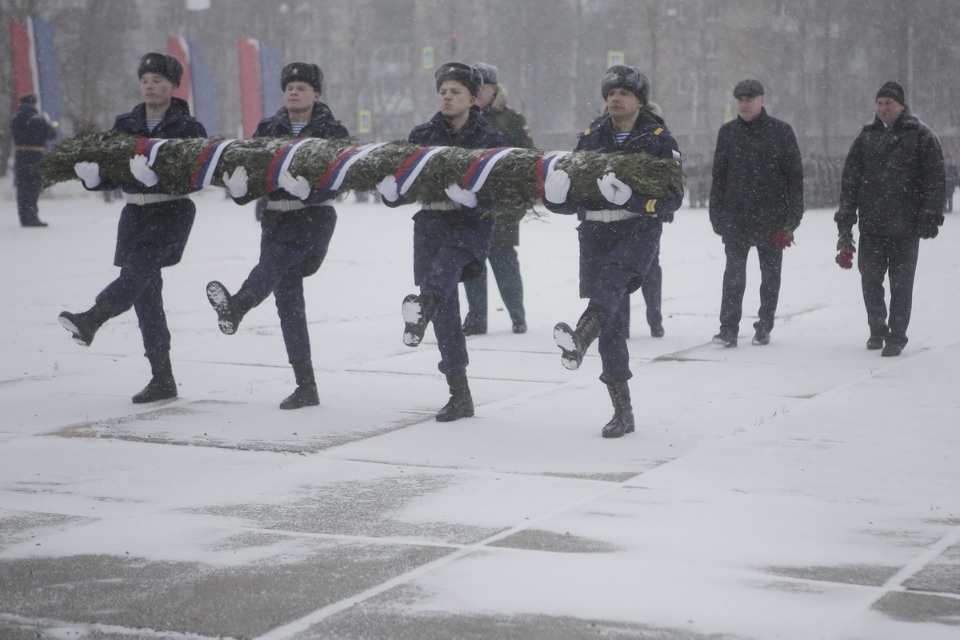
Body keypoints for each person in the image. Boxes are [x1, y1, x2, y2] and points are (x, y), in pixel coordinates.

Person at [542, 65, 682, 439]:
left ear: (640, 100)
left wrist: (633, 200)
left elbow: (672, 200)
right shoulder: (589, 139)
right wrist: (555, 200)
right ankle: (622, 412)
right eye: (610, 93)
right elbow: (577, 196)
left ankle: (581, 337)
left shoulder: (657, 140)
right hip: (594, 235)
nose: (615, 99)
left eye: (623, 93)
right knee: (613, 328)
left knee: (610, 286)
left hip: (636, 232)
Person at [58, 53, 207, 402]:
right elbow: (111, 169)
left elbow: (196, 176)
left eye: (157, 80)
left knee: (138, 270)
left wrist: (158, 179)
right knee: (146, 296)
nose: (150, 86)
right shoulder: (125, 123)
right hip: (134, 214)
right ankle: (162, 377)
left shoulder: (188, 127)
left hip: (171, 213)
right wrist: (94, 180)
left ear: (173, 86)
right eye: (145, 80)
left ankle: (93, 317)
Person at [205, 62, 348, 409]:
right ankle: (306, 385)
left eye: (302, 87)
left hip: (312, 218)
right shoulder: (268, 128)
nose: (294, 92)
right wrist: (238, 191)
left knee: (275, 261)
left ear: (316, 94)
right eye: (289, 87)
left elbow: (341, 178)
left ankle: (239, 304)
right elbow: (253, 175)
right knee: (288, 304)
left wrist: (309, 192)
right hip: (275, 219)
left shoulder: (332, 130)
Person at [377, 62, 506, 422]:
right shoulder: (422, 133)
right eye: (443, 91)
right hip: (431, 222)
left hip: (469, 224)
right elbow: (406, 181)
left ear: (472, 98)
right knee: (446, 314)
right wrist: (391, 194)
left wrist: (475, 200)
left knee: (443, 273)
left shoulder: (489, 138)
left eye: (455, 92)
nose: (447, 97)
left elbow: (502, 187)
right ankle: (459, 394)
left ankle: (421, 309)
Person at [835, 81, 945, 357]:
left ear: (901, 106)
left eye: (889, 104)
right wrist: (846, 216)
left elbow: (934, 179)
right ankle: (877, 327)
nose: (883, 109)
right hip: (872, 224)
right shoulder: (866, 136)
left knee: (901, 283)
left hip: (905, 226)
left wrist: (930, 215)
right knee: (869, 278)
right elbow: (850, 180)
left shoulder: (920, 135)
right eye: (880, 103)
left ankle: (897, 335)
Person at [709, 79, 803, 348]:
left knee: (770, 277)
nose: (744, 104)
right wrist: (716, 215)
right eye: (740, 99)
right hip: (736, 218)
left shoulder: (781, 132)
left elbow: (794, 179)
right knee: (733, 276)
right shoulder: (727, 133)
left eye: (750, 99)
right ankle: (728, 329)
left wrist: (792, 219)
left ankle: (764, 325)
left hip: (772, 219)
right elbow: (719, 178)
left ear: (762, 100)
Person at [461, 63, 532, 336]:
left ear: (494, 88)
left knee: (504, 263)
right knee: (472, 264)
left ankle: (517, 316)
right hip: (469, 204)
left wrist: (521, 200)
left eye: (483, 87)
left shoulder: (511, 119)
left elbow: (527, 159)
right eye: (473, 88)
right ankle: (477, 319)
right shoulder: (461, 119)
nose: (478, 93)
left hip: (503, 204)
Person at [10, 93, 57, 227]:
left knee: (22, 188)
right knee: (33, 187)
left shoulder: (16, 118)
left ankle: (23, 217)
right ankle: (32, 216)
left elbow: (15, 134)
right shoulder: (39, 119)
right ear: (34, 103)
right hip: (36, 155)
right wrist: (51, 125)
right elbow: (51, 134)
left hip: (20, 155)